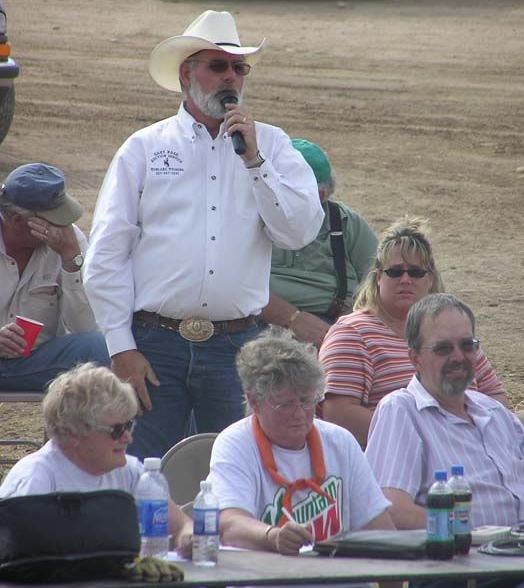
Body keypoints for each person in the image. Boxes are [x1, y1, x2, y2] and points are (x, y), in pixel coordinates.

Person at [83, 10, 324, 460]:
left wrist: (255, 163)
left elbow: (298, 232)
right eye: (218, 66)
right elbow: (107, 253)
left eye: (239, 68)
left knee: (240, 470)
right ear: (185, 75)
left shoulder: (271, 145)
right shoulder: (144, 148)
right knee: (145, 470)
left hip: (238, 346)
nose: (230, 77)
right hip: (154, 344)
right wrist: (121, 346)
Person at [365, 293, 524, 588]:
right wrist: (470, 531)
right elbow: (391, 510)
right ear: (414, 357)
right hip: (463, 570)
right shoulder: (402, 410)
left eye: (467, 345)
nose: (458, 357)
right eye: (443, 349)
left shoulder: (493, 412)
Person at [319, 217, 507, 448]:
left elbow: (495, 398)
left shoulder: (452, 330)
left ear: (430, 279)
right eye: (395, 272)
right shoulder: (352, 333)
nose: (406, 280)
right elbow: (340, 415)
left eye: (416, 272)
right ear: (379, 278)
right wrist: (430, 442)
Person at [207, 327, 395, 558]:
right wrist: (272, 536)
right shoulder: (235, 444)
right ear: (254, 403)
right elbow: (229, 524)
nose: (299, 414)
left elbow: (382, 534)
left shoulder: (340, 441)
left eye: (306, 401)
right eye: (285, 405)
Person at [0, 362, 193, 556]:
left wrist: (189, 538)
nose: (128, 438)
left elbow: (181, 526)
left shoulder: (131, 471)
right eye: (117, 430)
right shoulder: (36, 480)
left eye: (128, 426)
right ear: (73, 432)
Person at [0, 163, 110, 391]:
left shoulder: (69, 241)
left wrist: (71, 261)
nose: (63, 225)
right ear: (17, 220)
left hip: (38, 361)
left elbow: (86, 328)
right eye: (53, 219)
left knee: (101, 347)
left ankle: (97, 427)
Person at [261, 139, 378, 347]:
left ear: (321, 195)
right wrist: (293, 318)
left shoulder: (346, 223)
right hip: (260, 324)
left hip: (332, 329)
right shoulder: (251, 219)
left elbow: (380, 283)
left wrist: (352, 323)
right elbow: (230, 284)